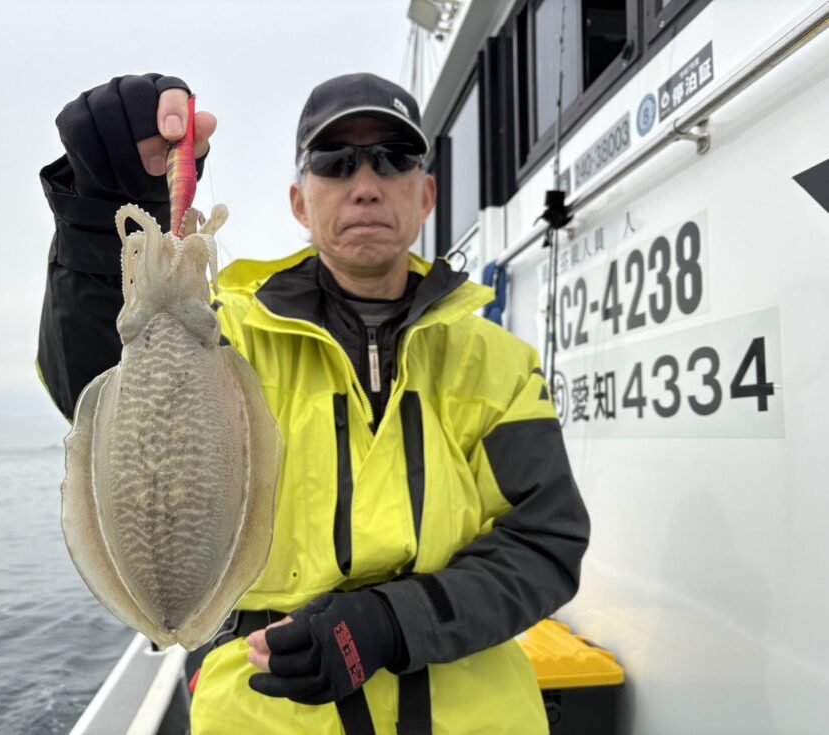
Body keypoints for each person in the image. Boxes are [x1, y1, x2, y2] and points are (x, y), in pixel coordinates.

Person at [37, 72, 590, 734]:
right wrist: (100, 216)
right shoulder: (228, 334)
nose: (366, 183)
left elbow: (545, 543)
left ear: (426, 195)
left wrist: (393, 622)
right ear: (300, 201)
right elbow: (99, 384)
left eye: (393, 158)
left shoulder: (499, 362)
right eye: (336, 161)